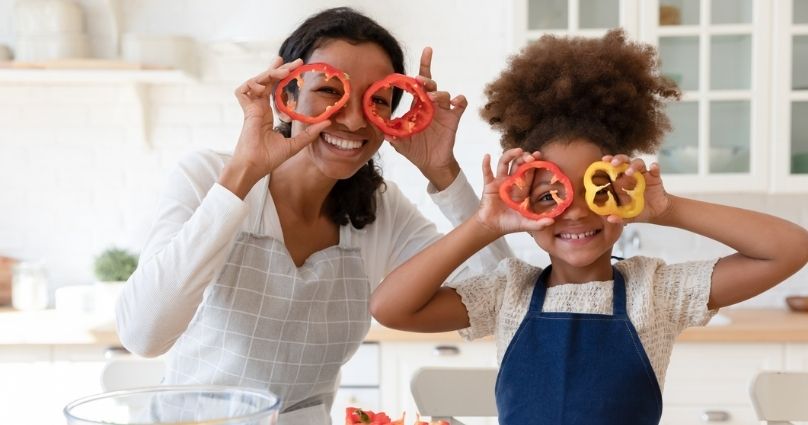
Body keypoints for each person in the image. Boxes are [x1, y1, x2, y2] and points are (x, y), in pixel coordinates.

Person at [370, 29, 808, 425]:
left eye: (595, 189)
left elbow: (790, 248)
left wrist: (665, 207)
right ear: (522, 207)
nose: (576, 212)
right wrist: (486, 224)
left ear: (623, 193)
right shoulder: (507, 292)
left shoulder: (654, 293)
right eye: (550, 196)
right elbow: (390, 308)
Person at [115, 7, 511, 425]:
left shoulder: (382, 209)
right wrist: (243, 173)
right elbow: (144, 335)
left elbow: (505, 297)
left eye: (377, 100)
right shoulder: (207, 177)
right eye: (329, 90)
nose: (355, 118)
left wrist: (443, 173)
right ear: (287, 97)